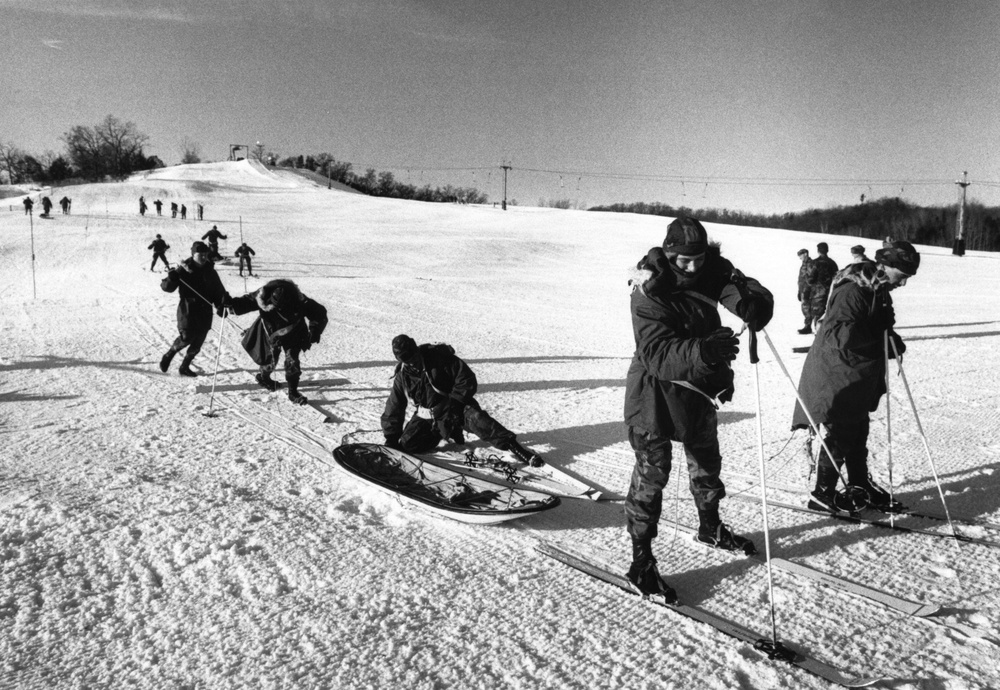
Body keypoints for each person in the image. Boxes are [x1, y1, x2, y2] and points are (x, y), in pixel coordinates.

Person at [622, 216, 774, 598]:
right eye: (684, 260)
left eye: (699, 259)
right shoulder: (648, 288)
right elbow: (655, 352)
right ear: (669, 253)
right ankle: (641, 560)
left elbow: (739, 286)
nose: (692, 266)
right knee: (652, 474)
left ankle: (710, 526)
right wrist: (703, 350)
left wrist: (753, 305)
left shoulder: (711, 268)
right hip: (655, 392)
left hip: (699, 388)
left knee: (707, 462)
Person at [792, 240, 920, 515]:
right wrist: (878, 340)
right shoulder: (855, 290)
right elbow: (835, 333)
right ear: (887, 266)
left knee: (858, 429)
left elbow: (880, 324)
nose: (904, 283)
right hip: (838, 372)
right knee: (841, 431)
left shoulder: (878, 288)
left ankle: (859, 485)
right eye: (903, 276)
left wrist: (891, 338)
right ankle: (822, 494)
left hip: (856, 372)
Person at [381, 334, 545, 466]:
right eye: (407, 361)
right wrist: (391, 437)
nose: (412, 364)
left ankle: (514, 448)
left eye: (413, 358)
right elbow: (394, 405)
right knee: (409, 444)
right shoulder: (403, 375)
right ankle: (443, 431)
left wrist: (456, 403)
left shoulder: (440, 358)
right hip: (429, 416)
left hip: (455, 407)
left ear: (417, 350)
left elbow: (466, 379)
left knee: (478, 419)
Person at [228, 279, 328, 405]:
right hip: (271, 333)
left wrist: (315, 330)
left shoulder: (299, 299)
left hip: (294, 333)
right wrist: (228, 306)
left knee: (292, 360)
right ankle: (263, 377)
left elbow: (319, 313)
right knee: (270, 360)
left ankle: (293, 392)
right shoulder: (262, 295)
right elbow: (244, 303)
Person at [159, 241, 230, 377]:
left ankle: (184, 366)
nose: (203, 257)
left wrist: (221, 305)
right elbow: (167, 288)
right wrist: (171, 279)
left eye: (205, 254)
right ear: (193, 254)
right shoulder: (183, 269)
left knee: (198, 342)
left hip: (205, 311)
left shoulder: (210, 271)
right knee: (187, 337)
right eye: (200, 254)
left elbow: (218, 291)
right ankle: (170, 354)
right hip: (188, 310)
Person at [805, 242, 838, 331]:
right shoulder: (832, 263)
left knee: (816, 312)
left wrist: (807, 279)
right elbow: (836, 278)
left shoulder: (816, 262)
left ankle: (817, 332)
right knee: (826, 311)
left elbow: (811, 279)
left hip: (817, 292)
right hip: (830, 292)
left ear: (818, 251)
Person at [796, 248, 814, 334]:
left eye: (800, 254)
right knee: (805, 309)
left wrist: (806, 291)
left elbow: (810, 278)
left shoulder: (810, 264)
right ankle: (808, 326)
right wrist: (799, 291)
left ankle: (808, 327)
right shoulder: (804, 263)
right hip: (803, 289)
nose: (799, 257)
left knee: (807, 309)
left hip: (807, 290)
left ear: (806, 254)